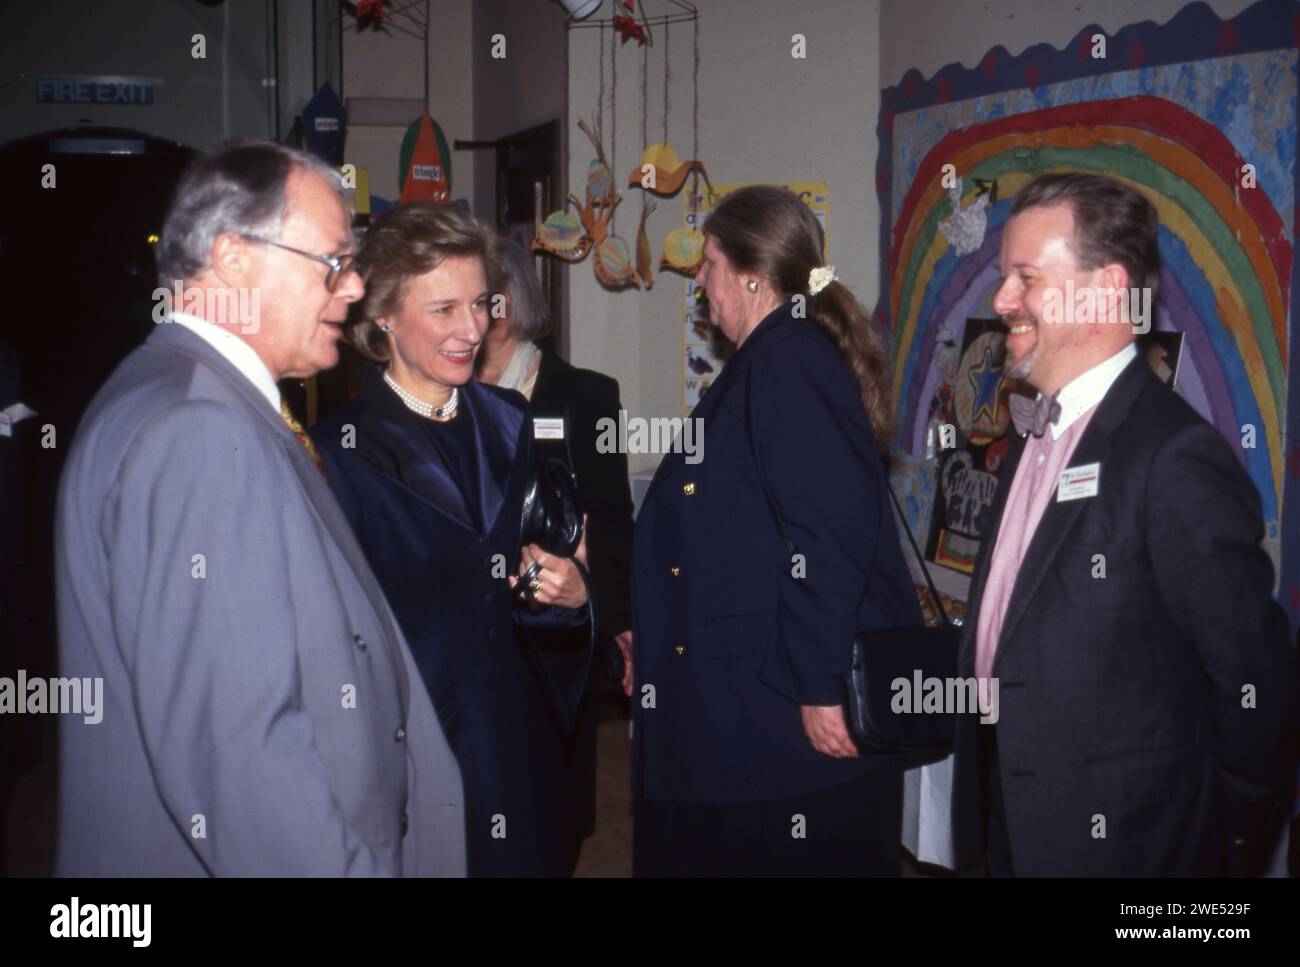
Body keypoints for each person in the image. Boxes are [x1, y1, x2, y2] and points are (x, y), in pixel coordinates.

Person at [54, 141, 465, 876]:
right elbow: (242, 761)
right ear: (234, 257)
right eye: (333, 262)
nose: (353, 289)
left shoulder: (181, 391)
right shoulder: (198, 429)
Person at [952, 172, 1299, 876]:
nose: (1001, 300)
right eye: (1002, 277)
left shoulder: (1173, 455)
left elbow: (1256, 684)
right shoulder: (1027, 432)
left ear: (1106, 289)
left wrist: (1209, 842)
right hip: (1009, 823)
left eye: (1026, 277)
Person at [630, 185, 923, 876]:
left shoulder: (788, 358)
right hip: (743, 723)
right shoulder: (769, 359)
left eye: (707, 264)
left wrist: (820, 687)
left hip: (780, 736)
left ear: (750, 271)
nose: (701, 283)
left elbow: (829, 532)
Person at [312, 202, 591, 876]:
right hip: (411, 754)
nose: (472, 329)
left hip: (515, 743)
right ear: (382, 315)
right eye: (444, 310)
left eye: (481, 304)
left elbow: (532, 582)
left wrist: (571, 594)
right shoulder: (339, 450)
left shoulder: (508, 418)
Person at [477, 238, 635, 873]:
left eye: (473, 298)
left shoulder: (587, 396)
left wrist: (610, 611)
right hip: (479, 637)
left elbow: (615, 518)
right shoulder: (445, 394)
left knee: (550, 818)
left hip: (556, 638)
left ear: (505, 305)